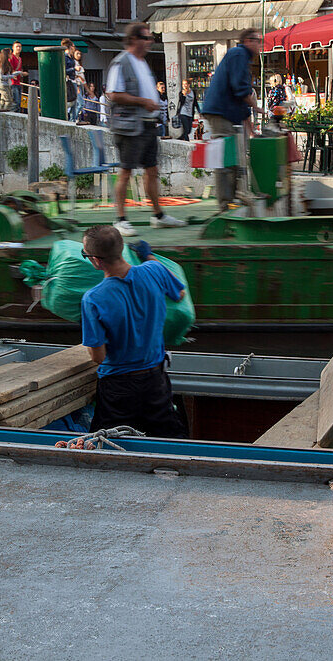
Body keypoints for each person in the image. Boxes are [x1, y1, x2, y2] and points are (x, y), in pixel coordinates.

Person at [79, 226, 188, 438]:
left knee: (105, 441)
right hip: (156, 380)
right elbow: (180, 293)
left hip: (118, 388)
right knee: (169, 438)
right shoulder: (154, 271)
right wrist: (148, 255)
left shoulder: (93, 299)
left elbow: (98, 357)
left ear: (96, 261)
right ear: (121, 249)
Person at [104, 22, 187, 235]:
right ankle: (120, 219)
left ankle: (158, 215)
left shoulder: (141, 62)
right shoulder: (121, 62)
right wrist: (143, 102)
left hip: (147, 124)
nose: (150, 42)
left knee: (152, 170)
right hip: (130, 127)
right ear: (134, 40)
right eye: (146, 38)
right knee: (125, 171)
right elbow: (113, 94)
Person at [199, 28, 265, 211]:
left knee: (235, 155)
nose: (259, 45)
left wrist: (250, 127)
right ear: (246, 41)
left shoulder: (242, 58)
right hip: (220, 112)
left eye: (261, 41)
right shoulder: (238, 54)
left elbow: (240, 98)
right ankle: (224, 204)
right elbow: (240, 89)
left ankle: (235, 196)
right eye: (256, 40)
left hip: (226, 111)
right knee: (226, 158)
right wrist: (256, 106)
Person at [62, 38, 79, 121]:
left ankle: (73, 119)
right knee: (72, 101)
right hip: (69, 81)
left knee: (74, 102)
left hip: (73, 80)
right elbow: (63, 70)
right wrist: (74, 69)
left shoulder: (70, 57)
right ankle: (71, 119)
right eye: (73, 46)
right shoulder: (65, 57)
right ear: (70, 47)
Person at [9, 40, 26, 112]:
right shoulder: (11, 57)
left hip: (18, 82)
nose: (18, 48)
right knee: (16, 103)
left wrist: (21, 73)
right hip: (12, 82)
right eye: (17, 47)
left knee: (18, 103)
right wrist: (19, 73)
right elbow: (9, 69)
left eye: (20, 47)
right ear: (13, 48)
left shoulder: (20, 59)